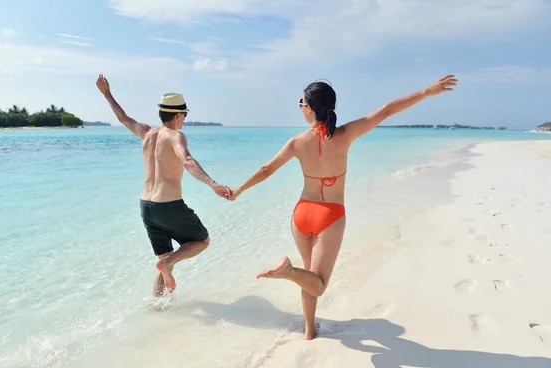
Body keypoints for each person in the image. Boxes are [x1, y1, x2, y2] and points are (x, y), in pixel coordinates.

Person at [228, 75, 458, 340]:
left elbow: (266, 169)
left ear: (310, 108)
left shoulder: (296, 142)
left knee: (309, 276)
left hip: (302, 214)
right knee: (318, 284)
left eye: (301, 103)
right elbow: (386, 111)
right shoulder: (346, 134)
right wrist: (426, 92)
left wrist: (238, 190)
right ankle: (288, 273)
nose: (300, 107)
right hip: (331, 216)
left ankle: (308, 330)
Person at [96, 74, 231, 296]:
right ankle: (168, 265)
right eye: (184, 116)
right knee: (201, 241)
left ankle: (158, 307)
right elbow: (187, 161)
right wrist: (212, 183)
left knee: (164, 258)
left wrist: (107, 94)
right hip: (168, 205)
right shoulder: (175, 136)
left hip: (146, 207)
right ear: (179, 115)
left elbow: (123, 118)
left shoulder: (146, 133)